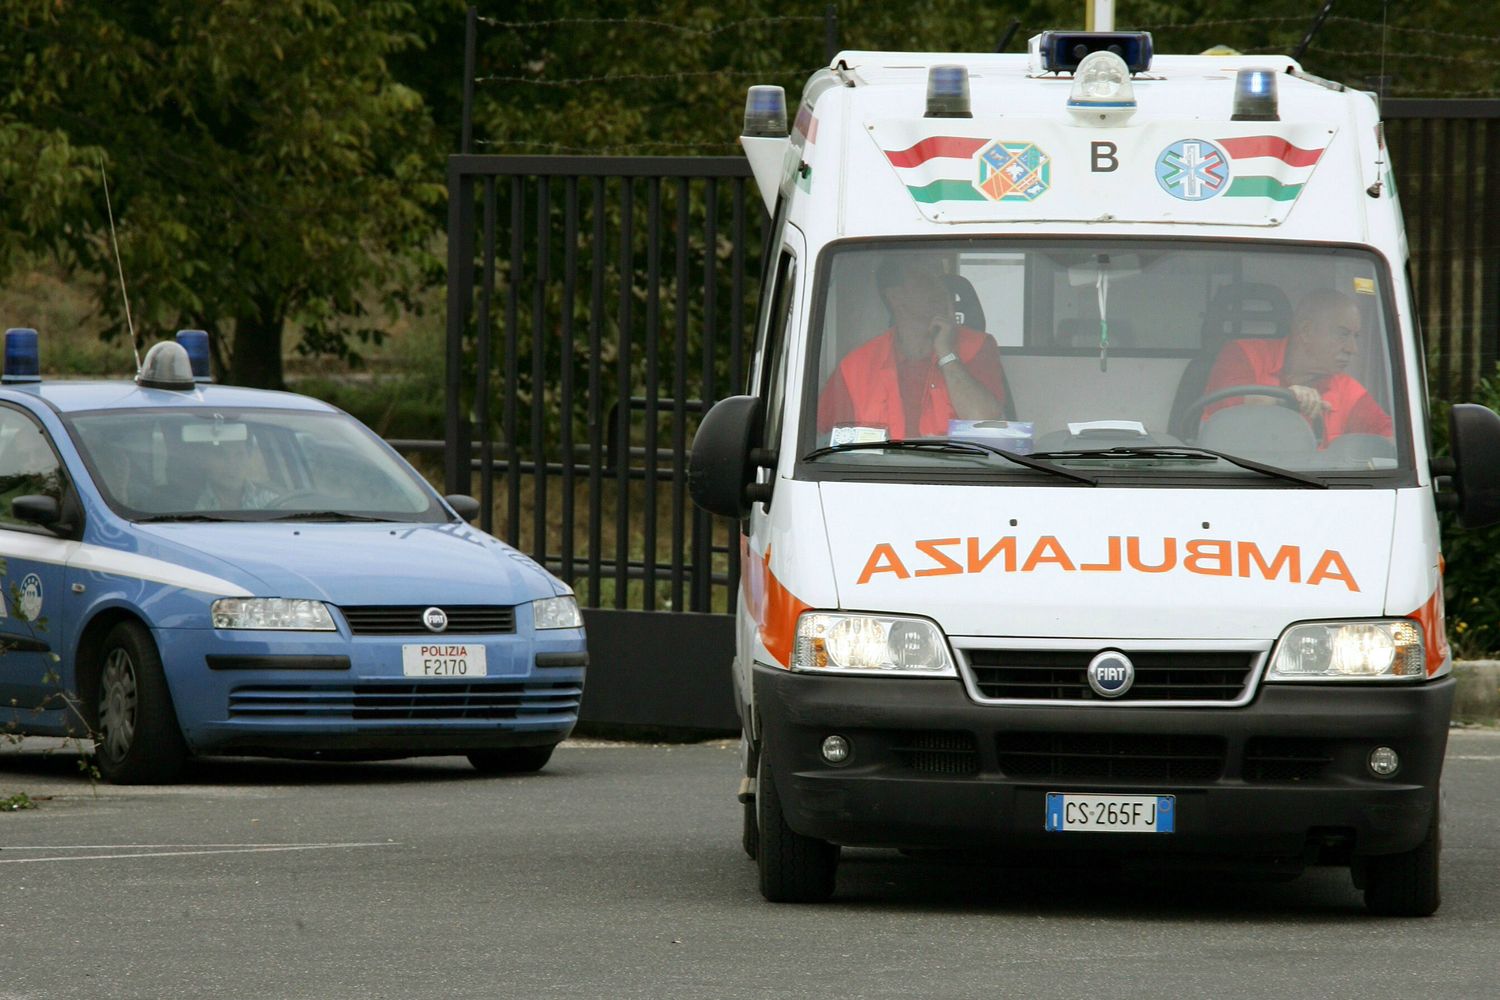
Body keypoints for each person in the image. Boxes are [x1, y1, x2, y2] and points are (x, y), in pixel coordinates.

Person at [818, 257, 1007, 438]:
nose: (940, 288)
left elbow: (986, 424)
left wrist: (947, 354)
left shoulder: (977, 346)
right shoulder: (855, 367)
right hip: (879, 463)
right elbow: (825, 442)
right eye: (925, 281)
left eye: (940, 280)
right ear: (895, 297)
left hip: (957, 463)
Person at [1201, 289, 1393, 443]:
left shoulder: (1349, 391)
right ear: (1306, 331)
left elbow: (1393, 445)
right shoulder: (1243, 354)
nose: (1353, 349)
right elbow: (1229, 404)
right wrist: (1287, 398)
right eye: (1342, 334)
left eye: (1355, 337)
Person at [194, 438, 280, 511]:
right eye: (221, 455)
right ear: (205, 461)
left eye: (239, 455)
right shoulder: (191, 504)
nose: (232, 464)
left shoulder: (271, 501)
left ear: (248, 459)